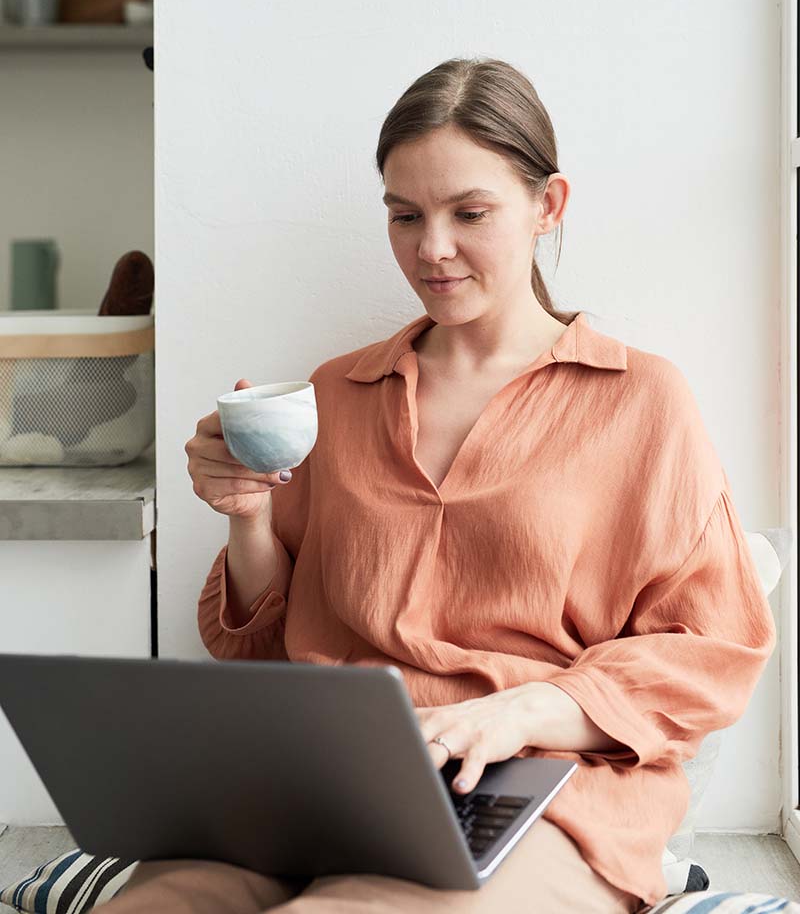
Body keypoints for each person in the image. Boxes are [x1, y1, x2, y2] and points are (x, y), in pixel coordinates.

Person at [104, 57, 776, 914]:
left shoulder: (640, 400)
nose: (432, 249)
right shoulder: (337, 395)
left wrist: (526, 711)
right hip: (324, 779)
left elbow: (710, 653)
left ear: (548, 206)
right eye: (405, 215)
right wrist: (248, 515)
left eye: (471, 213)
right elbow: (255, 645)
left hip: (545, 794)